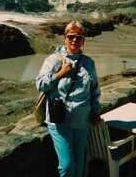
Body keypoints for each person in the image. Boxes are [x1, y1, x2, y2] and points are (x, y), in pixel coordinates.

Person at [35, 20, 101, 177]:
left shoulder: (88, 63)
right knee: (67, 166)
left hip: (82, 120)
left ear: (83, 40)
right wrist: (60, 74)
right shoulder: (54, 60)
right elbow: (40, 84)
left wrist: (95, 111)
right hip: (59, 121)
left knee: (79, 165)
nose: (74, 40)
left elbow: (94, 90)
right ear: (65, 38)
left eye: (79, 37)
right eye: (71, 36)